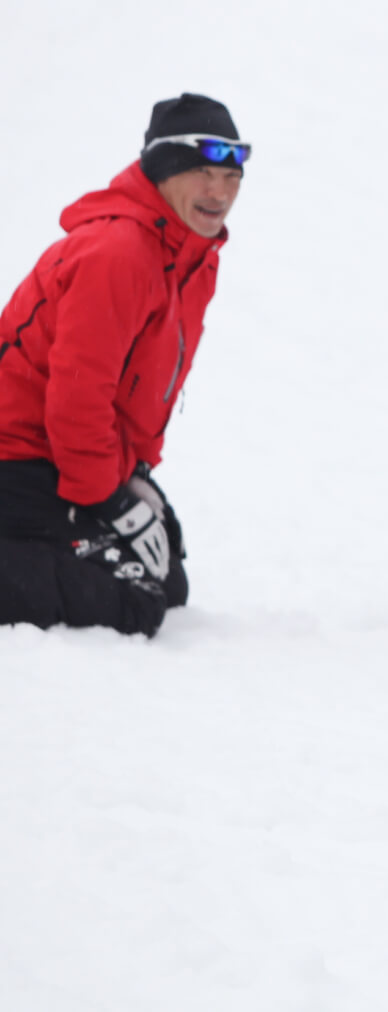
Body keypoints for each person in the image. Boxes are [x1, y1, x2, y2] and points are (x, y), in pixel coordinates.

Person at [0, 93, 248, 638]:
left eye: (231, 177)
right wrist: (106, 499)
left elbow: (138, 391)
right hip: (17, 455)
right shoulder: (119, 253)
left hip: (63, 458)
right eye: (203, 173)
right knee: (137, 603)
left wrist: (133, 477)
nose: (220, 192)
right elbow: (77, 399)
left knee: (169, 579)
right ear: (163, 172)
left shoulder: (190, 260)